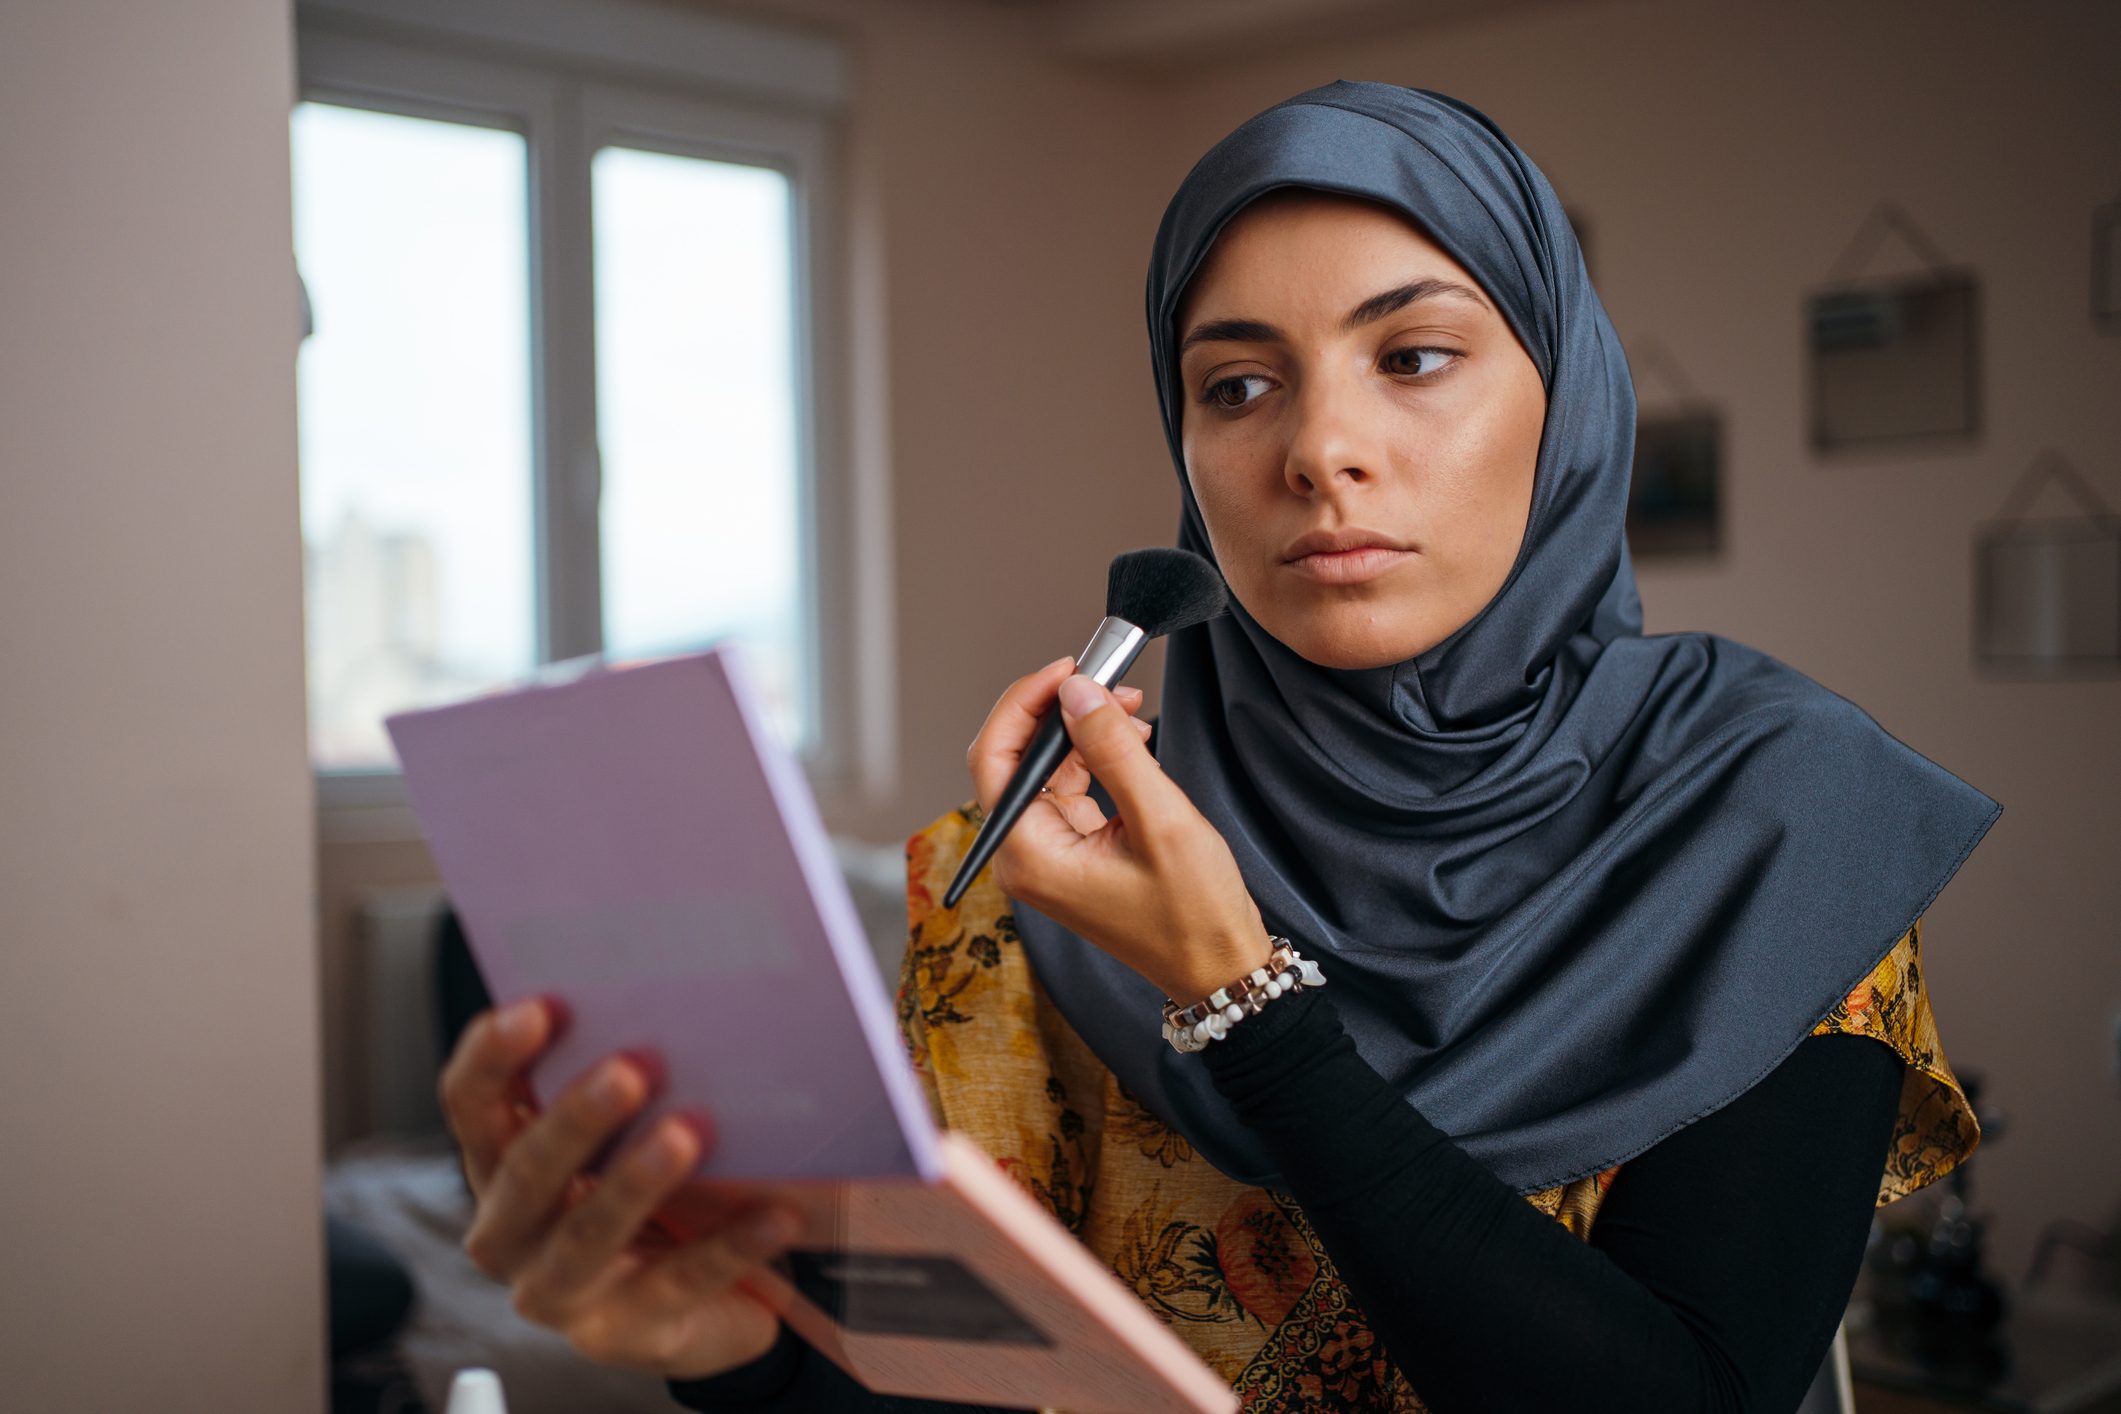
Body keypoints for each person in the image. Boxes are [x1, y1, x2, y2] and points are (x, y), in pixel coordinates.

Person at [437, 81, 2000, 1412]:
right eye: (1235, 384)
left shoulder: (1773, 821)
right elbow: (951, 1391)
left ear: (1568, 401)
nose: (1315, 448)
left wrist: (1240, 995)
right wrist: (726, 1349)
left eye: (1415, 356)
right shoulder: (1020, 874)